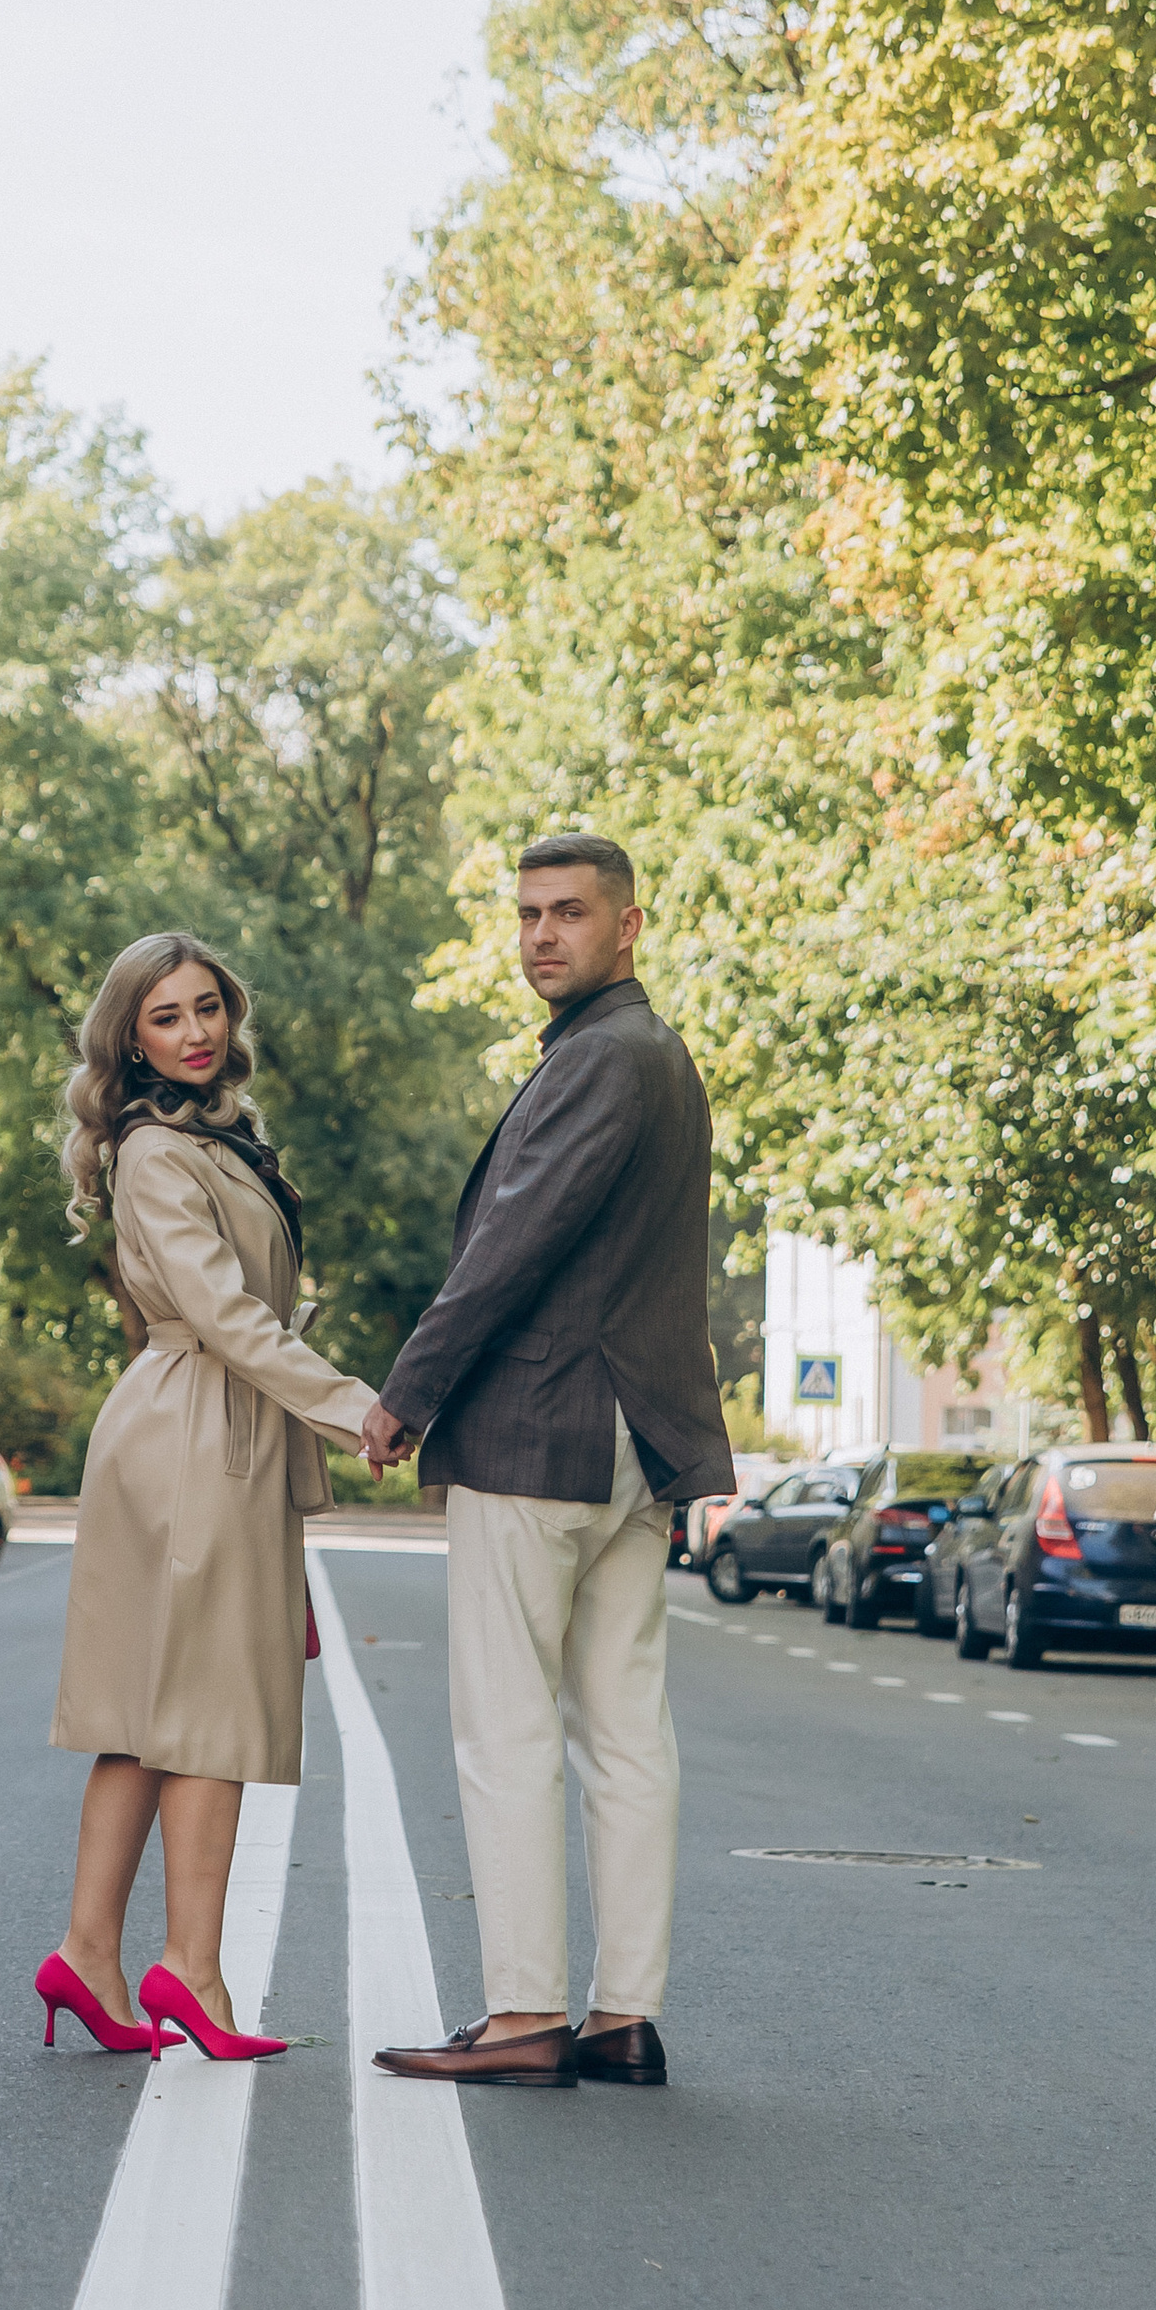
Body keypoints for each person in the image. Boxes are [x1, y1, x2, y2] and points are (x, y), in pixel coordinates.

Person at [360, 833, 729, 2090]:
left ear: (628, 926)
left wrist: (408, 1393)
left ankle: (523, 2014)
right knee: (626, 1732)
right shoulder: (660, 1059)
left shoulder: (601, 1060)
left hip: (544, 1430)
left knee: (508, 1726)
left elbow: (507, 1249)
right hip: (638, 1440)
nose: (540, 936)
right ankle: (624, 2016)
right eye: (525, 915)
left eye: (567, 913)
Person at [37, 931, 379, 2064]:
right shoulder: (156, 1153)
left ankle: (89, 1954)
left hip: (198, 1425)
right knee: (204, 1713)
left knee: (148, 1710)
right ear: (128, 1038)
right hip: (197, 1429)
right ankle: (190, 1970)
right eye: (166, 1017)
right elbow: (232, 1318)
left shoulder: (211, 1141)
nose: (194, 1033)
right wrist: (356, 1406)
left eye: (207, 1009)